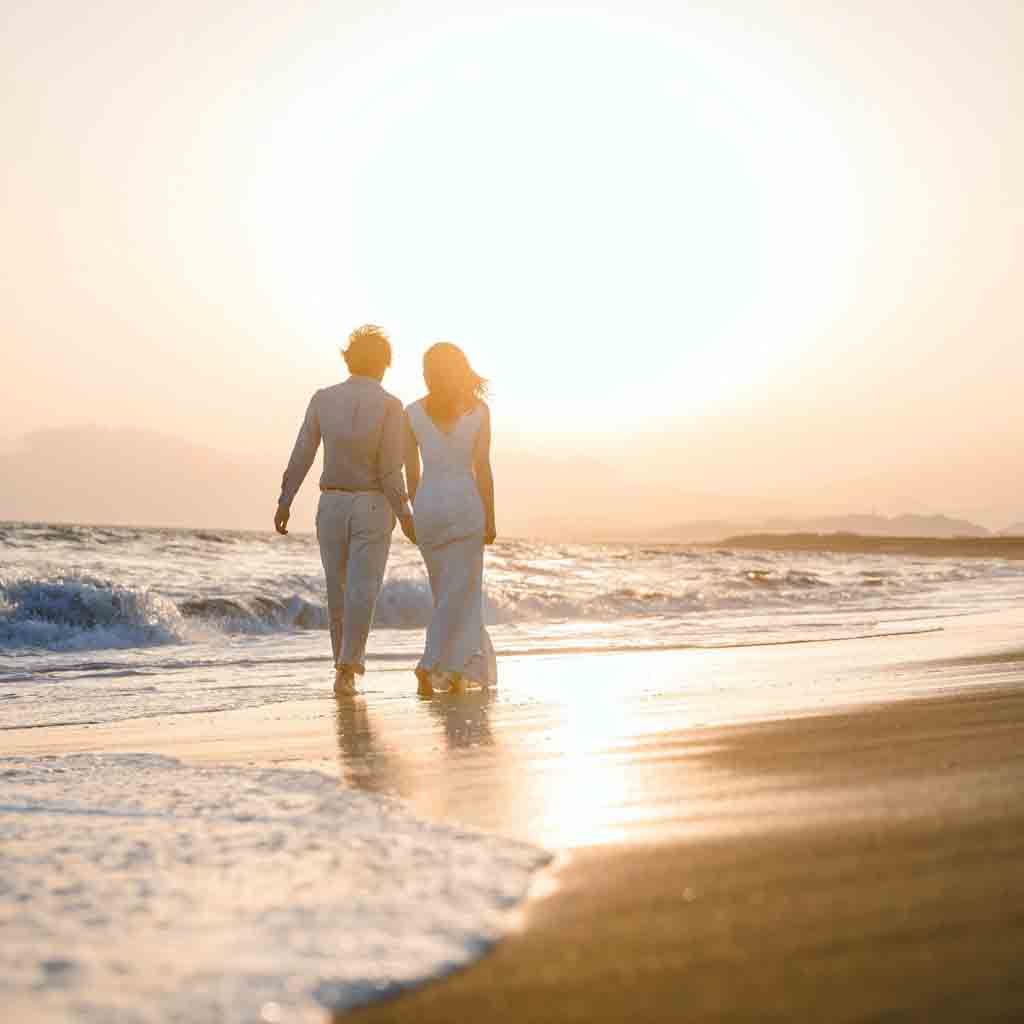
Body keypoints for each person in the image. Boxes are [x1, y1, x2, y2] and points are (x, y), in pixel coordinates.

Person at [275, 324, 416, 697]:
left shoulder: (323, 398)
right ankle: (347, 668)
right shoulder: (390, 406)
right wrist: (405, 515)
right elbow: (390, 470)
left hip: (332, 502)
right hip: (373, 503)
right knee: (362, 591)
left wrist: (285, 499)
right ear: (384, 364)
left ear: (349, 359)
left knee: (337, 592)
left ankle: (342, 668)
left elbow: (303, 452)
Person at [404, 342, 497, 696]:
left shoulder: (411, 413)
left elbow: (410, 473)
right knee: (462, 593)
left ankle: (457, 669)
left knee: (446, 592)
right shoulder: (478, 411)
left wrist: (415, 509)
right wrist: (491, 516)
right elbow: (483, 468)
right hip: (465, 504)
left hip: (429, 506)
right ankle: (431, 664)